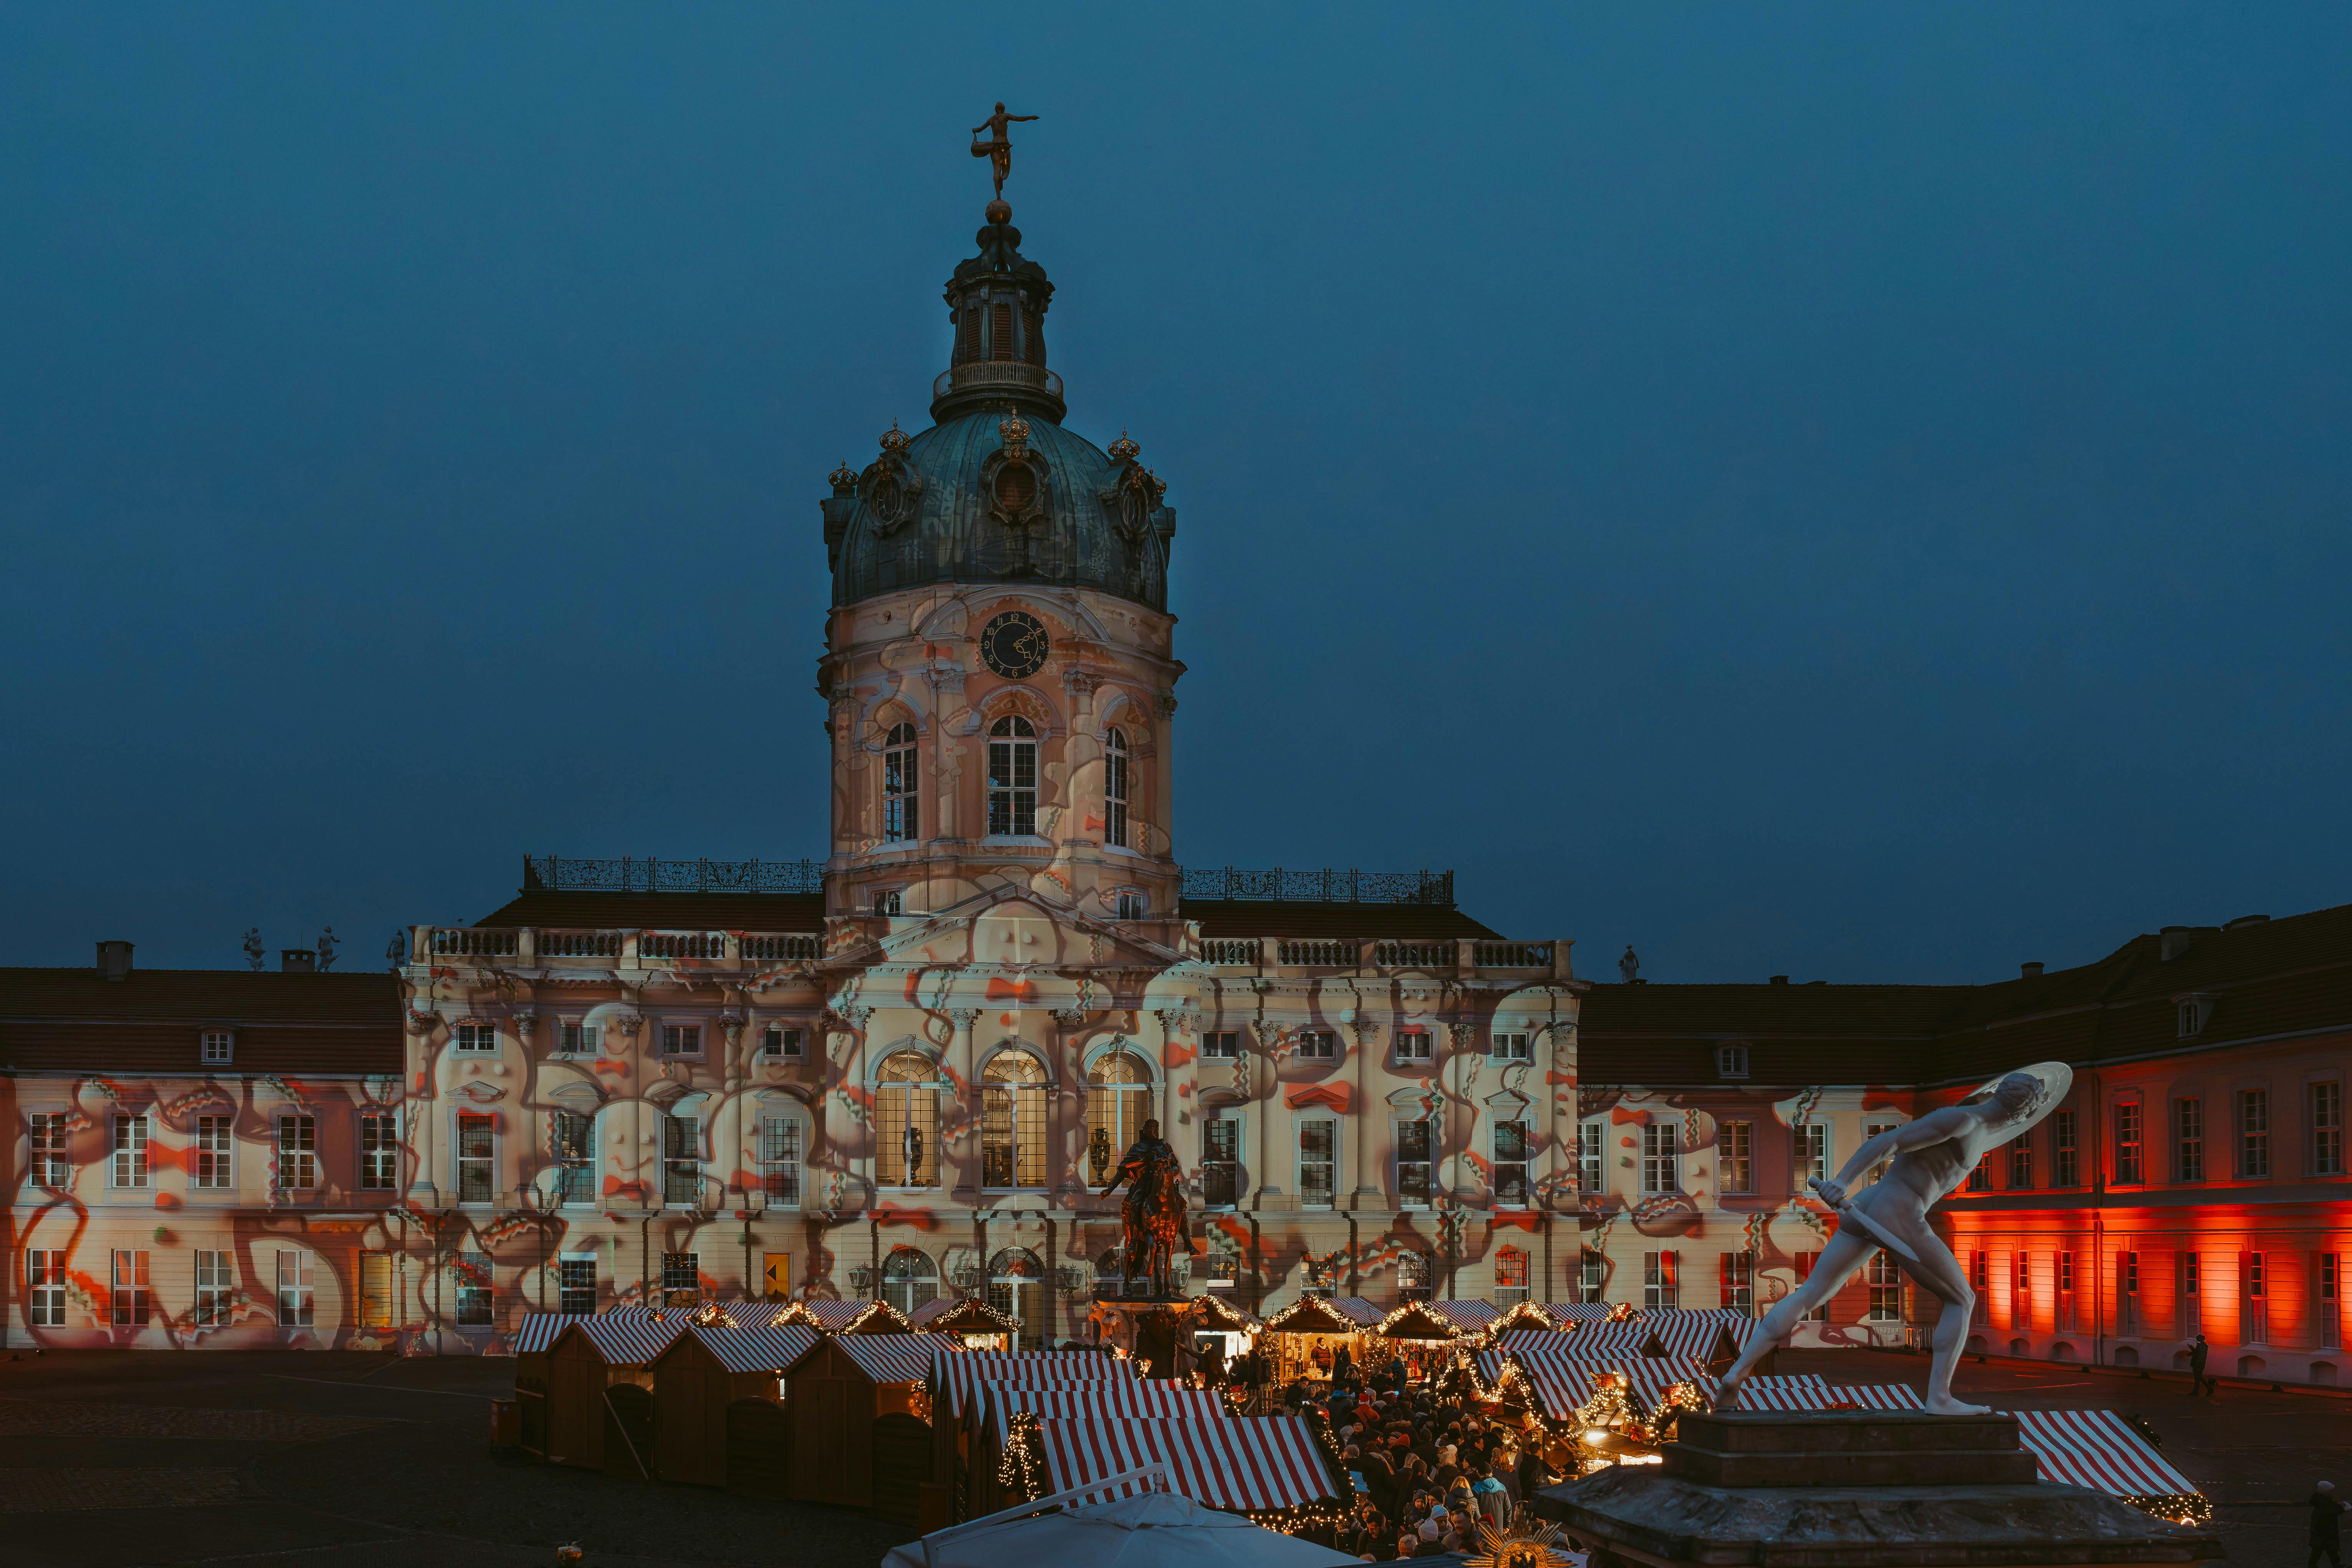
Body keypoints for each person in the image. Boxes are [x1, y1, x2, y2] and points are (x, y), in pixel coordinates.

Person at [1713, 1066, 2068, 1415]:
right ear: (2024, 1109)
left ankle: (1737, 1373)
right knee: (1961, 1299)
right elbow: (1890, 1141)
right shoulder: (1963, 1121)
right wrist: (1841, 1180)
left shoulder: (1977, 1128)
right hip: (1899, 1209)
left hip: (1870, 1205)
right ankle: (1940, 1398)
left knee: (1811, 1294)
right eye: (2034, 1110)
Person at [2315, 1481, 2348, 1568]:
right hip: (2323, 1531)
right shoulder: (2323, 1503)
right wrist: (2343, 1509)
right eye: (2331, 1491)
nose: (2333, 1492)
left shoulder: (2322, 1500)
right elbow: (2330, 1512)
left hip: (2323, 1530)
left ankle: (2336, 1564)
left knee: (2327, 1548)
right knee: (2321, 1548)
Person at [2188, 1334, 2216, 1398]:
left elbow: (2196, 1354)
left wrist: (2191, 1349)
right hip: (2201, 1364)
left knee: (2198, 1379)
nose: (2197, 1341)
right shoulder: (2204, 1346)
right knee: (2199, 1378)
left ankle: (2199, 1391)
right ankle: (2206, 1390)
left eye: (2198, 1339)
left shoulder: (2200, 1346)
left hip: (2197, 1364)